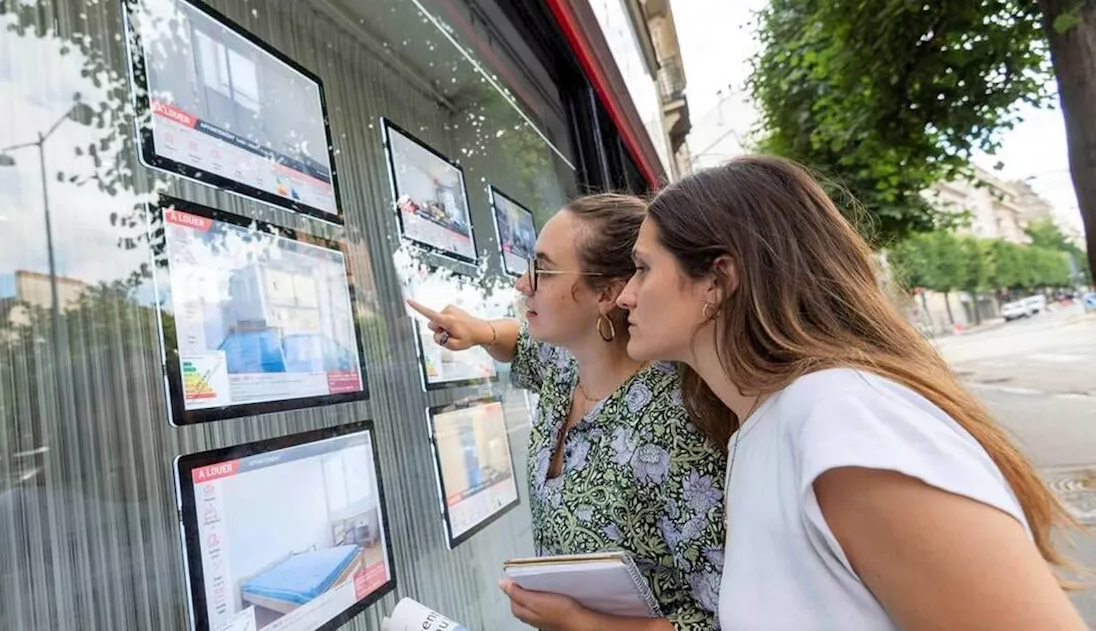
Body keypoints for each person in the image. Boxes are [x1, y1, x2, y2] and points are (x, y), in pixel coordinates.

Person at [615, 156, 1086, 630]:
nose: (624, 296)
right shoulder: (767, 426)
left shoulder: (842, 421)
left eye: (642, 269)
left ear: (717, 281)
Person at [407, 193, 728, 631]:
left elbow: (720, 619)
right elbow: (518, 342)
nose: (524, 284)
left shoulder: (679, 427)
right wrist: (480, 331)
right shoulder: (564, 364)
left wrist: (582, 623)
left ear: (610, 293)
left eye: (543, 269)